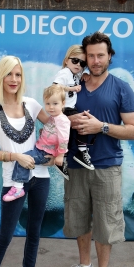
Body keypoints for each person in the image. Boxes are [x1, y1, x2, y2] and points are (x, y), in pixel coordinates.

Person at [60, 32, 134, 267]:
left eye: (100, 55)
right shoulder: (74, 86)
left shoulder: (120, 88)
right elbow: (52, 115)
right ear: (84, 58)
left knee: (106, 224)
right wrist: (66, 120)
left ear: (109, 56)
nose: (95, 60)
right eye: (91, 56)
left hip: (107, 166)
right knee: (79, 219)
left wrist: (101, 126)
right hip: (75, 163)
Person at [0, 55, 53, 267]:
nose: (14, 79)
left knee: (34, 233)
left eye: (18, 74)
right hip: (13, 182)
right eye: (9, 74)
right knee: (5, 235)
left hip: (40, 177)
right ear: (0, 77)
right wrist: (16, 157)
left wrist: (56, 153)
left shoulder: (32, 104)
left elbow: (55, 126)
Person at [2, 84, 71, 202]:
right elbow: (53, 132)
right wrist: (44, 131)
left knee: (23, 159)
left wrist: (60, 155)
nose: (51, 107)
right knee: (24, 158)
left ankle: (18, 188)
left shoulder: (62, 120)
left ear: (63, 103)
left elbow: (64, 139)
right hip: (42, 148)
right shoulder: (54, 117)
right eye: (48, 104)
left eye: (55, 104)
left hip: (44, 152)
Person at [53, 45, 95, 181]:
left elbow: (79, 74)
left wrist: (85, 74)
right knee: (83, 122)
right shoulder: (64, 73)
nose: (78, 65)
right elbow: (55, 87)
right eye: (75, 61)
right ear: (66, 60)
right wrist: (71, 88)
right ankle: (81, 151)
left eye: (82, 63)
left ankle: (62, 160)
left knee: (68, 136)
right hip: (64, 108)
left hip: (66, 107)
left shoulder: (74, 74)